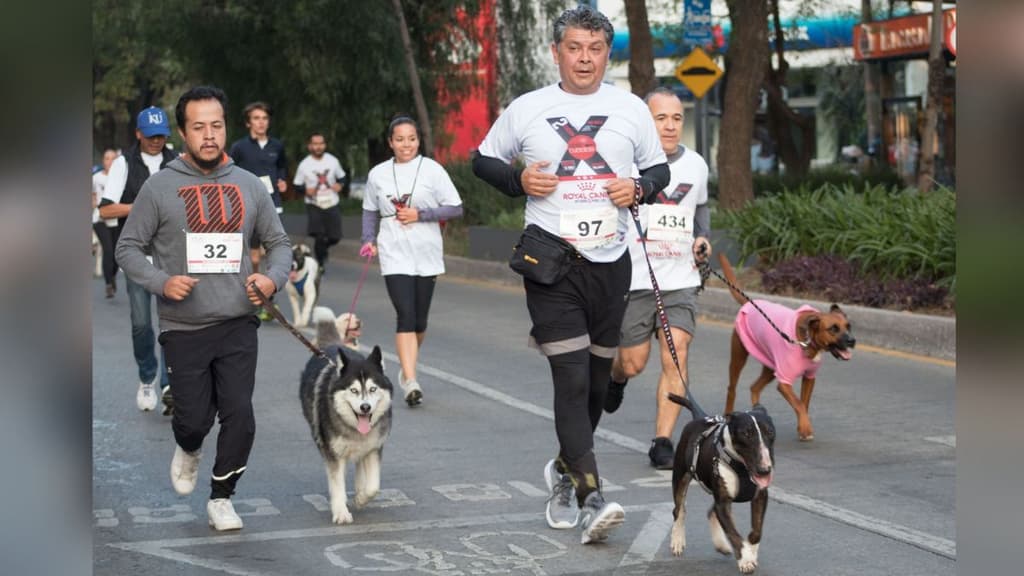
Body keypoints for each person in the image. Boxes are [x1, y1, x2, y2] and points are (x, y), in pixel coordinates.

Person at [471, 5, 670, 545]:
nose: (585, 58)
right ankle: (590, 496)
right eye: (575, 48)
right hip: (551, 263)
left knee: (599, 384)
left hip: (612, 263)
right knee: (572, 377)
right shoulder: (529, 108)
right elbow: (482, 160)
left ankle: (564, 468)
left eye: (595, 48)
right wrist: (518, 180)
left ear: (608, 53)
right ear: (557, 51)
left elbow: (658, 169)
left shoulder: (629, 109)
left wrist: (641, 189)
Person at [115, 85, 291, 531]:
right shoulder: (159, 188)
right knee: (192, 420)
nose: (209, 135)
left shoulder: (249, 185)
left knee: (241, 416)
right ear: (183, 132)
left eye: (216, 125)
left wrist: (271, 278)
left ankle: (221, 496)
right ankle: (190, 448)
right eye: (199, 127)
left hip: (237, 321)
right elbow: (128, 248)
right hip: (183, 326)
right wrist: (161, 281)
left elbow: (279, 244)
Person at [604, 87, 712, 470]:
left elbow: (699, 211)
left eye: (676, 118)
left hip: (680, 280)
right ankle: (615, 379)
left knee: (677, 355)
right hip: (634, 280)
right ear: (645, 123)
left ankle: (662, 440)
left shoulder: (697, 165)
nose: (669, 126)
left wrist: (703, 240)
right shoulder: (626, 166)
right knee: (632, 363)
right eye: (660, 118)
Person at [361, 116, 463, 407]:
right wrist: (368, 239)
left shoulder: (432, 170)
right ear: (390, 142)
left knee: (419, 321)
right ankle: (410, 379)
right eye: (399, 139)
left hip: (426, 250)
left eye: (411, 139)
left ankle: (406, 371)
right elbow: (370, 210)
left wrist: (421, 214)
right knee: (405, 314)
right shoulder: (378, 174)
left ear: (418, 140)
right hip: (393, 250)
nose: (406, 144)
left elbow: (455, 208)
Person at [98, 107, 177, 414]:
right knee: (142, 323)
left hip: (172, 256)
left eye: (162, 135)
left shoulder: (178, 162)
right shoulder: (123, 164)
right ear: (138, 134)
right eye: (151, 135)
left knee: (174, 323)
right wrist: (143, 207)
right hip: (138, 257)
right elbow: (106, 210)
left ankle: (170, 383)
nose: (157, 140)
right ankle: (147, 377)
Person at [228, 101, 288, 312]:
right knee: (254, 256)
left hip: (273, 205)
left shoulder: (277, 146)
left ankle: (268, 291)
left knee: (275, 250)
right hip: (247, 207)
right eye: (256, 118)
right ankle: (253, 289)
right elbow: (228, 170)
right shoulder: (239, 147)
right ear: (248, 123)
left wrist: (282, 180)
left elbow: (282, 167)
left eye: (264, 118)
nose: (260, 123)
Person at [292, 132, 347, 270]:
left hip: (331, 202)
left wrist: (340, 185)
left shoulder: (332, 161)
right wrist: (305, 190)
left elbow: (342, 178)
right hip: (314, 203)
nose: (318, 147)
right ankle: (320, 263)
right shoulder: (304, 164)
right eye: (315, 144)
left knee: (335, 237)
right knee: (319, 235)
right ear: (310, 146)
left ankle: (323, 250)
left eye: (321, 143)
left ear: (325, 145)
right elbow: (297, 185)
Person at [93, 149, 119, 297]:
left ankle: (112, 275)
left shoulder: (121, 178)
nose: (109, 161)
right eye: (107, 158)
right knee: (108, 250)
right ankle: (108, 283)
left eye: (113, 159)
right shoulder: (96, 178)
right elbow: (92, 194)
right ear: (103, 161)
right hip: (100, 219)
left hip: (116, 219)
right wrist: (95, 206)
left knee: (116, 253)